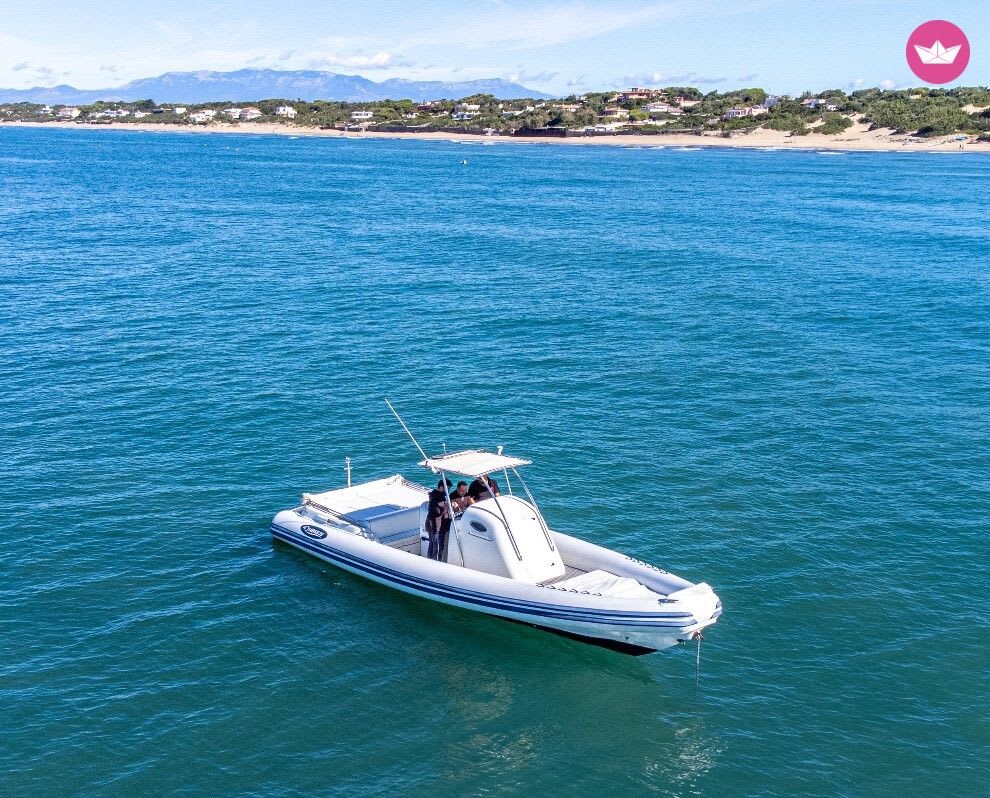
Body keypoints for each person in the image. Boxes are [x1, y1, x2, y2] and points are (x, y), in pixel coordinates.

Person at [425, 478, 452, 561]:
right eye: (447, 488)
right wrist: (447, 506)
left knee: (432, 545)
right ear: (441, 487)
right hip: (435, 527)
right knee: (437, 548)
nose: (448, 490)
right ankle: (436, 564)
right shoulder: (436, 497)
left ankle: (429, 562)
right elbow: (437, 511)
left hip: (435, 526)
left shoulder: (436, 496)